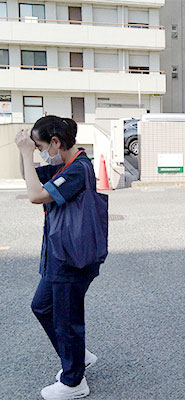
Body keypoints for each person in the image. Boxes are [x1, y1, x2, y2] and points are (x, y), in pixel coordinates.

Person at [15, 116, 103, 400]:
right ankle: (78, 356)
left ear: (56, 142)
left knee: (67, 318)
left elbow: (34, 195)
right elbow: (28, 178)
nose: (39, 152)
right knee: (42, 306)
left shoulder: (78, 168)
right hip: (59, 252)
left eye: (41, 146)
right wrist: (24, 152)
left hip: (71, 257)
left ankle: (74, 382)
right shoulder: (63, 164)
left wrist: (28, 154)